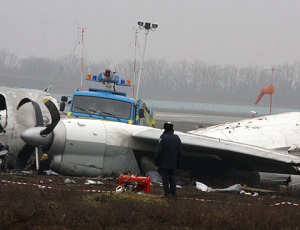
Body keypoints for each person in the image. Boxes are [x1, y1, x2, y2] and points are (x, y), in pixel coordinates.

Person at [155, 122, 182, 198]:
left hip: (164, 163)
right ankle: (173, 193)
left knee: (165, 179)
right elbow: (180, 152)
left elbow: (159, 151)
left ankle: (167, 193)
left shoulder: (163, 138)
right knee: (172, 178)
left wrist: (157, 160)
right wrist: (178, 162)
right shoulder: (177, 138)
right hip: (173, 163)